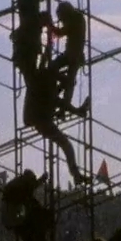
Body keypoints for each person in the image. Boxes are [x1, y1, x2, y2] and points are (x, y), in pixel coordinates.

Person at [23, 52, 90, 185]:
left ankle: (76, 174)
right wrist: (77, 111)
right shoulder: (48, 78)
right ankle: (75, 174)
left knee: (66, 144)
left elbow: (55, 97)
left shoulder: (45, 75)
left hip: (39, 116)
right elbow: (56, 100)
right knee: (66, 145)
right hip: (41, 119)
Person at [2, 170, 53, 241]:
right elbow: (29, 191)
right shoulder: (20, 188)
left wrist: (41, 180)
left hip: (15, 219)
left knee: (30, 239)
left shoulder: (19, 185)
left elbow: (31, 188)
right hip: (16, 220)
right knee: (32, 237)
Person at [48, 0, 85, 109]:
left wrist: (49, 25)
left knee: (54, 70)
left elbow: (60, 32)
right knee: (65, 78)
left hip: (73, 55)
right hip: (73, 54)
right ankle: (63, 101)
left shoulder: (75, 19)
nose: (62, 21)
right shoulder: (77, 18)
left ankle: (63, 102)